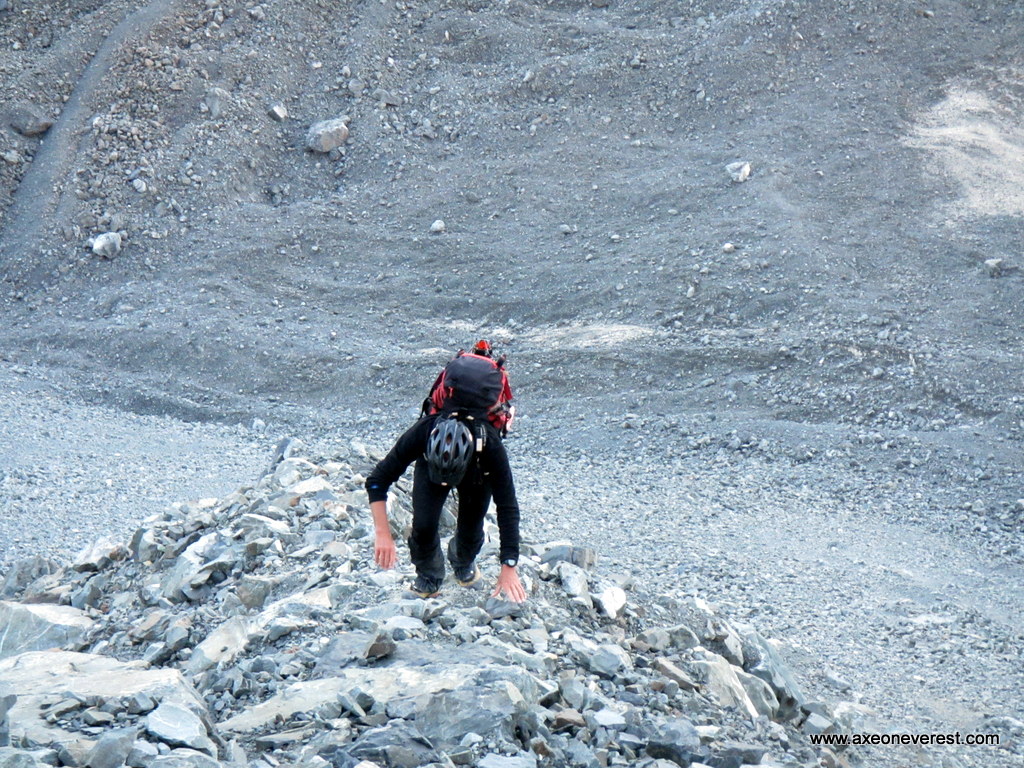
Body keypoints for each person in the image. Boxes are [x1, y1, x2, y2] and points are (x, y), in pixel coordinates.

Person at [365, 410, 527, 602]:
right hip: (430, 466)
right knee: (423, 525)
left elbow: (507, 507)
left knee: (472, 528)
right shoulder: (422, 432)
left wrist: (509, 566)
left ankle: (463, 560)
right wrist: (383, 533)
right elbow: (377, 481)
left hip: (476, 470)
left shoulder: (490, 446)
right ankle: (428, 576)